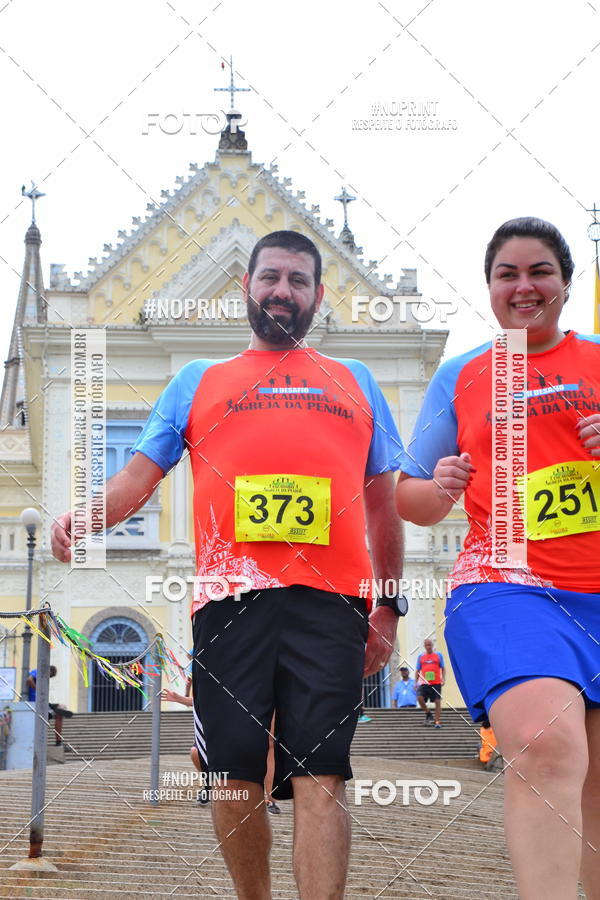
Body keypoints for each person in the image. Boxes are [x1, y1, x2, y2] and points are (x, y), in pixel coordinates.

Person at [51, 230, 406, 900]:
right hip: (227, 603)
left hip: (332, 602)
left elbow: (382, 506)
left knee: (322, 771)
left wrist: (388, 606)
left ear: (317, 297)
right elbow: (136, 479)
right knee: (233, 771)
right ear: (247, 288)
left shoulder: (356, 381)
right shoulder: (198, 381)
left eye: (298, 281)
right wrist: (84, 517)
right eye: (270, 276)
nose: (282, 290)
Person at [396, 217, 600, 900]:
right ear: (488, 287)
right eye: (507, 273)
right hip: (506, 585)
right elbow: (409, 498)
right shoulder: (461, 376)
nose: (524, 285)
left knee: (595, 787)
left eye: (539, 270)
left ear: (565, 283)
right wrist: (440, 485)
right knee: (547, 748)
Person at [160, 686, 210, 805]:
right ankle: (208, 786)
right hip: (206, 726)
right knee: (195, 751)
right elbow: (200, 700)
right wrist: (179, 699)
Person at [26, 665, 74, 746]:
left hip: (43, 702)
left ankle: (58, 741)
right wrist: (39, 691)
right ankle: (56, 741)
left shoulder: (41, 675)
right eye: (50, 676)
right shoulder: (38, 671)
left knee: (61, 707)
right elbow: (29, 680)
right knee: (54, 715)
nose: (49, 678)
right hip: (36, 702)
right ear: (49, 671)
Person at [414, 639, 445, 727]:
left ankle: (437, 721)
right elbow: (417, 670)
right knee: (419, 697)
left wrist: (443, 678)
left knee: (437, 701)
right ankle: (428, 713)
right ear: (424, 646)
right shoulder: (421, 656)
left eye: (430, 645)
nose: (428, 647)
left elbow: (443, 668)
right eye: (426, 645)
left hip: (436, 682)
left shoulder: (438, 655)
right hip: (424, 682)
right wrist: (415, 683)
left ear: (432, 645)